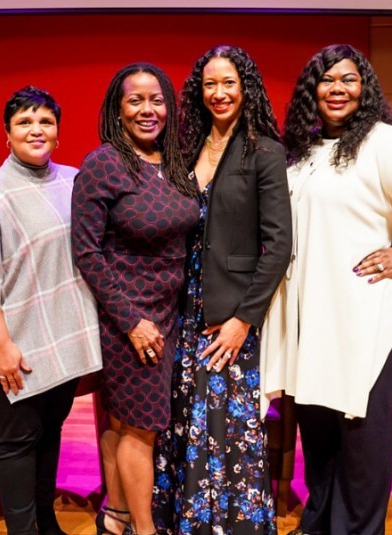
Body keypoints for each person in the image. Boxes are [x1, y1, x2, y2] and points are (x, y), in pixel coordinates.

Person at [261, 44, 392, 535]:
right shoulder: (302, 150)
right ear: (313, 90)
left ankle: (357, 527)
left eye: (348, 79)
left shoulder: (387, 142)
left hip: (369, 303)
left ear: (364, 87)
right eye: (327, 80)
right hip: (313, 305)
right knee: (316, 414)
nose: (337, 88)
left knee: (359, 419)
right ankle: (322, 518)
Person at [0, 86, 102, 535]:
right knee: (18, 439)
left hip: (55, 337)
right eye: (25, 122)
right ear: (7, 135)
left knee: (50, 432)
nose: (36, 129)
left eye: (45, 121)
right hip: (4, 340)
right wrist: (2, 346)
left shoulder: (73, 181)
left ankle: (46, 523)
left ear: (58, 132)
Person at [153, 45, 293, 534]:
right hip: (182, 305)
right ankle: (189, 519)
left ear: (245, 88)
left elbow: (278, 247)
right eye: (210, 84)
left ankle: (235, 525)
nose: (218, 93)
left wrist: (243, 320)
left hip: (230, 312)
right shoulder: (187, 149)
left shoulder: (265, 153)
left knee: (228, 426)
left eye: (228, 83)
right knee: (186, 417)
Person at [71, 63, 199, 535]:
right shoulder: (104, 163)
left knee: (128, 423)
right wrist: (130, 320)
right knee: (140, 427)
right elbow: (85, 252)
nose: (148, 110)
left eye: (157, 99)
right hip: (129, 319)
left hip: (171, 315)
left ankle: (118, 516)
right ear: (117, 109)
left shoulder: (178, 162)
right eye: (135, 100)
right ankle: (145, 530)